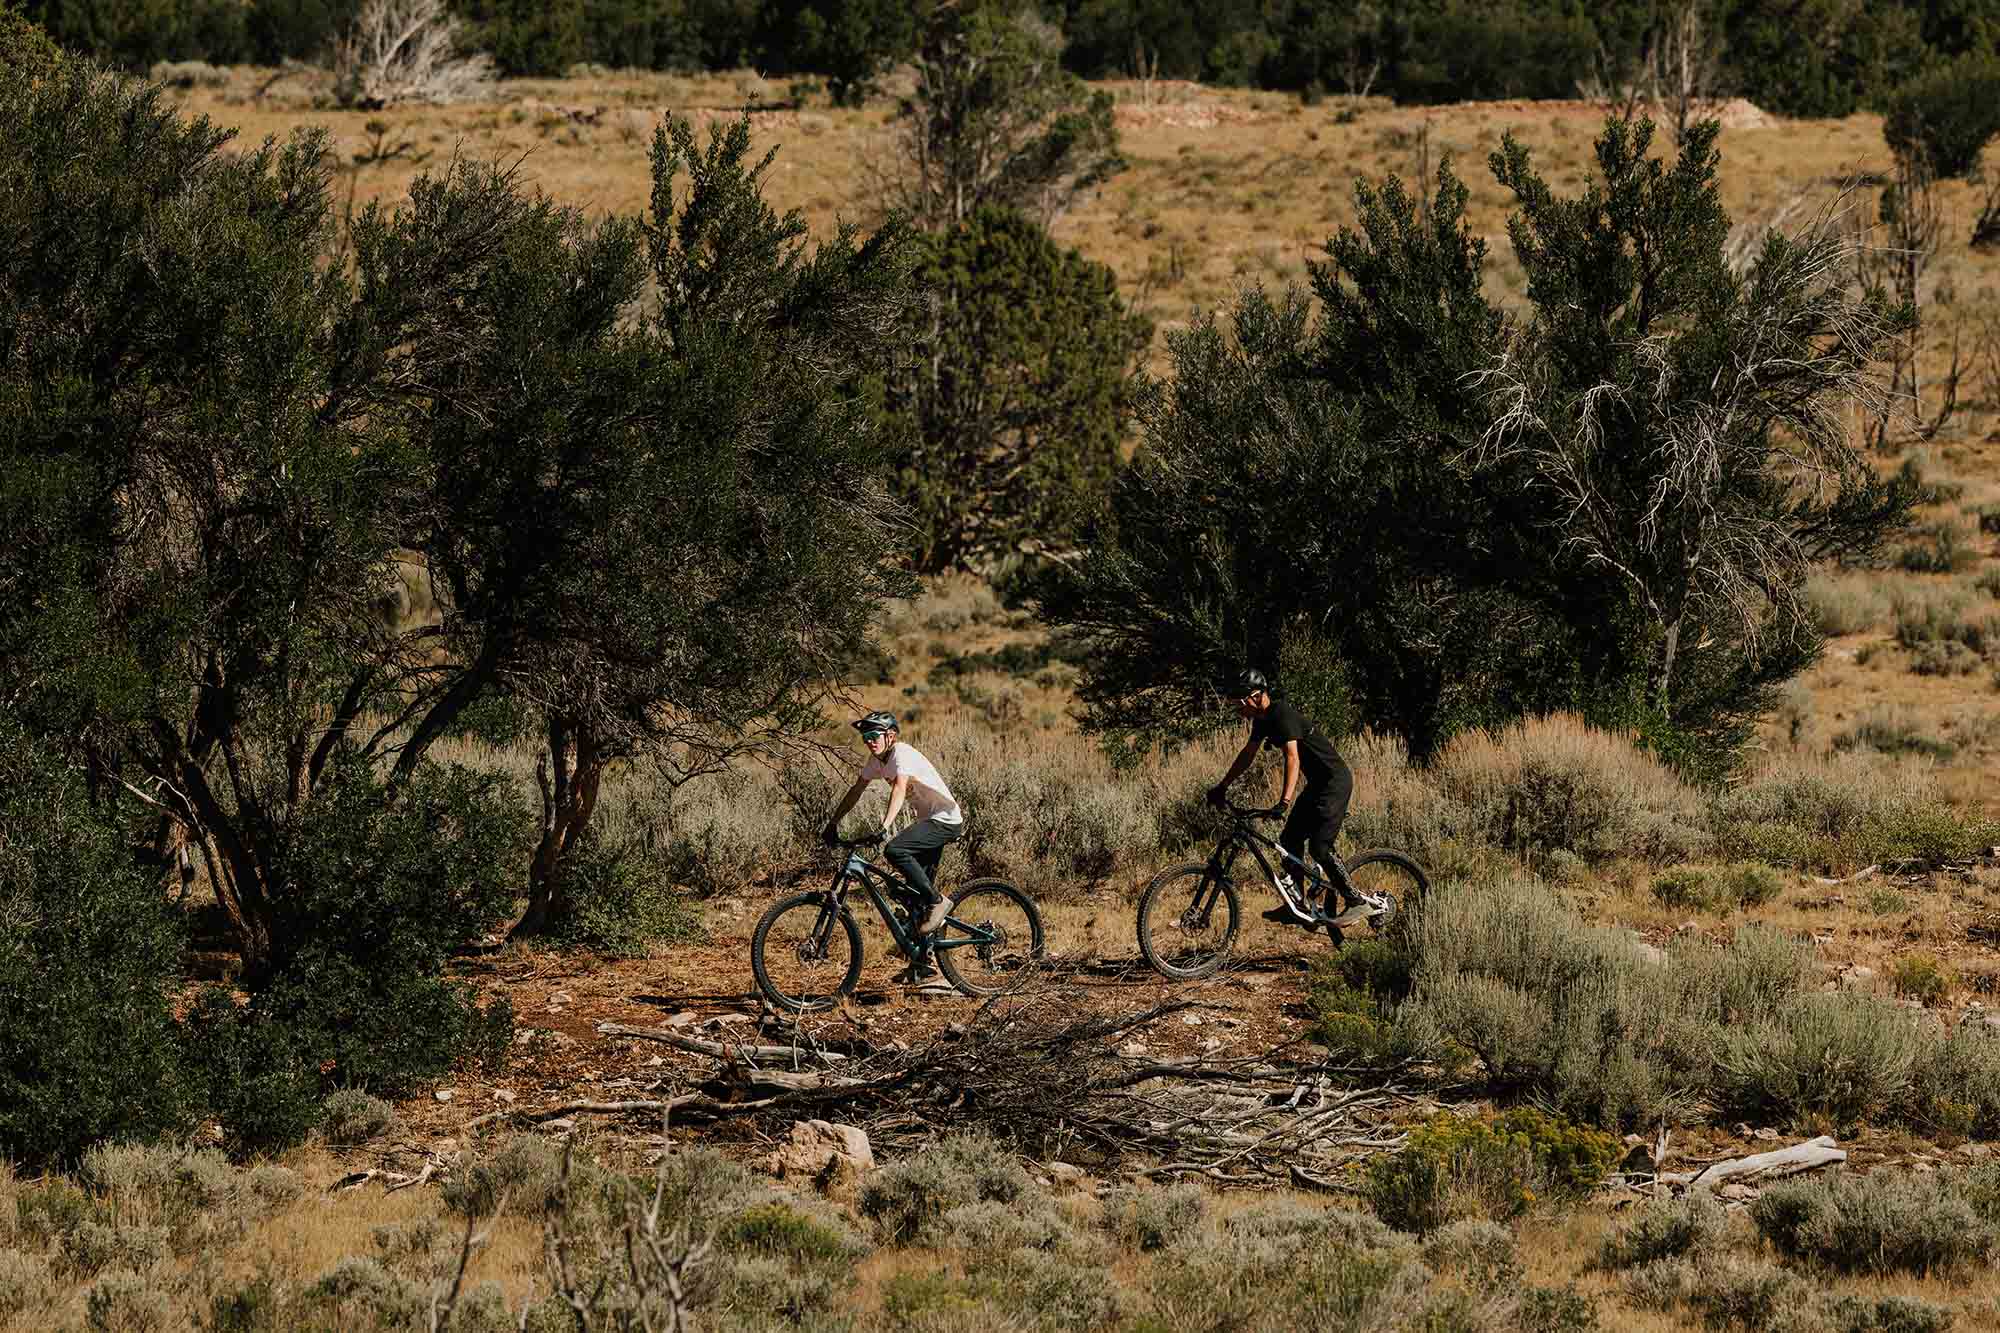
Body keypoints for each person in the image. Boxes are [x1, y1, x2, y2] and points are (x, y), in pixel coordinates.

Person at [1207, 668, 1378, 928]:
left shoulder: (1281, 714)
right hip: (1318, 785)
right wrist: (1222, 786)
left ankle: (1357, 902)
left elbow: (1292, 757)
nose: (1238, 710)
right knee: (1289, 840)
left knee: (1320, 847)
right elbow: (1247, 755)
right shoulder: (1262, 721)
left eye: (1240, 703)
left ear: (1255, 697)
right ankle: (1297, 902)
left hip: (1335, 783)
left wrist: (1284, 801)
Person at [821, 709, 964, 981]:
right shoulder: (877, 760)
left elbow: (899, 788)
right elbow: (856, 790)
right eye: (865, 736)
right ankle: (925, 965)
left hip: (944, 820)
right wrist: (832, 823)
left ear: (891, 736)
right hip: (928, 820)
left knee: (895, 850)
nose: (868, 741)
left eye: (873, 735)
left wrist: (885, 826)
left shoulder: (901, 754)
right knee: (907, 892)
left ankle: (938, 901)